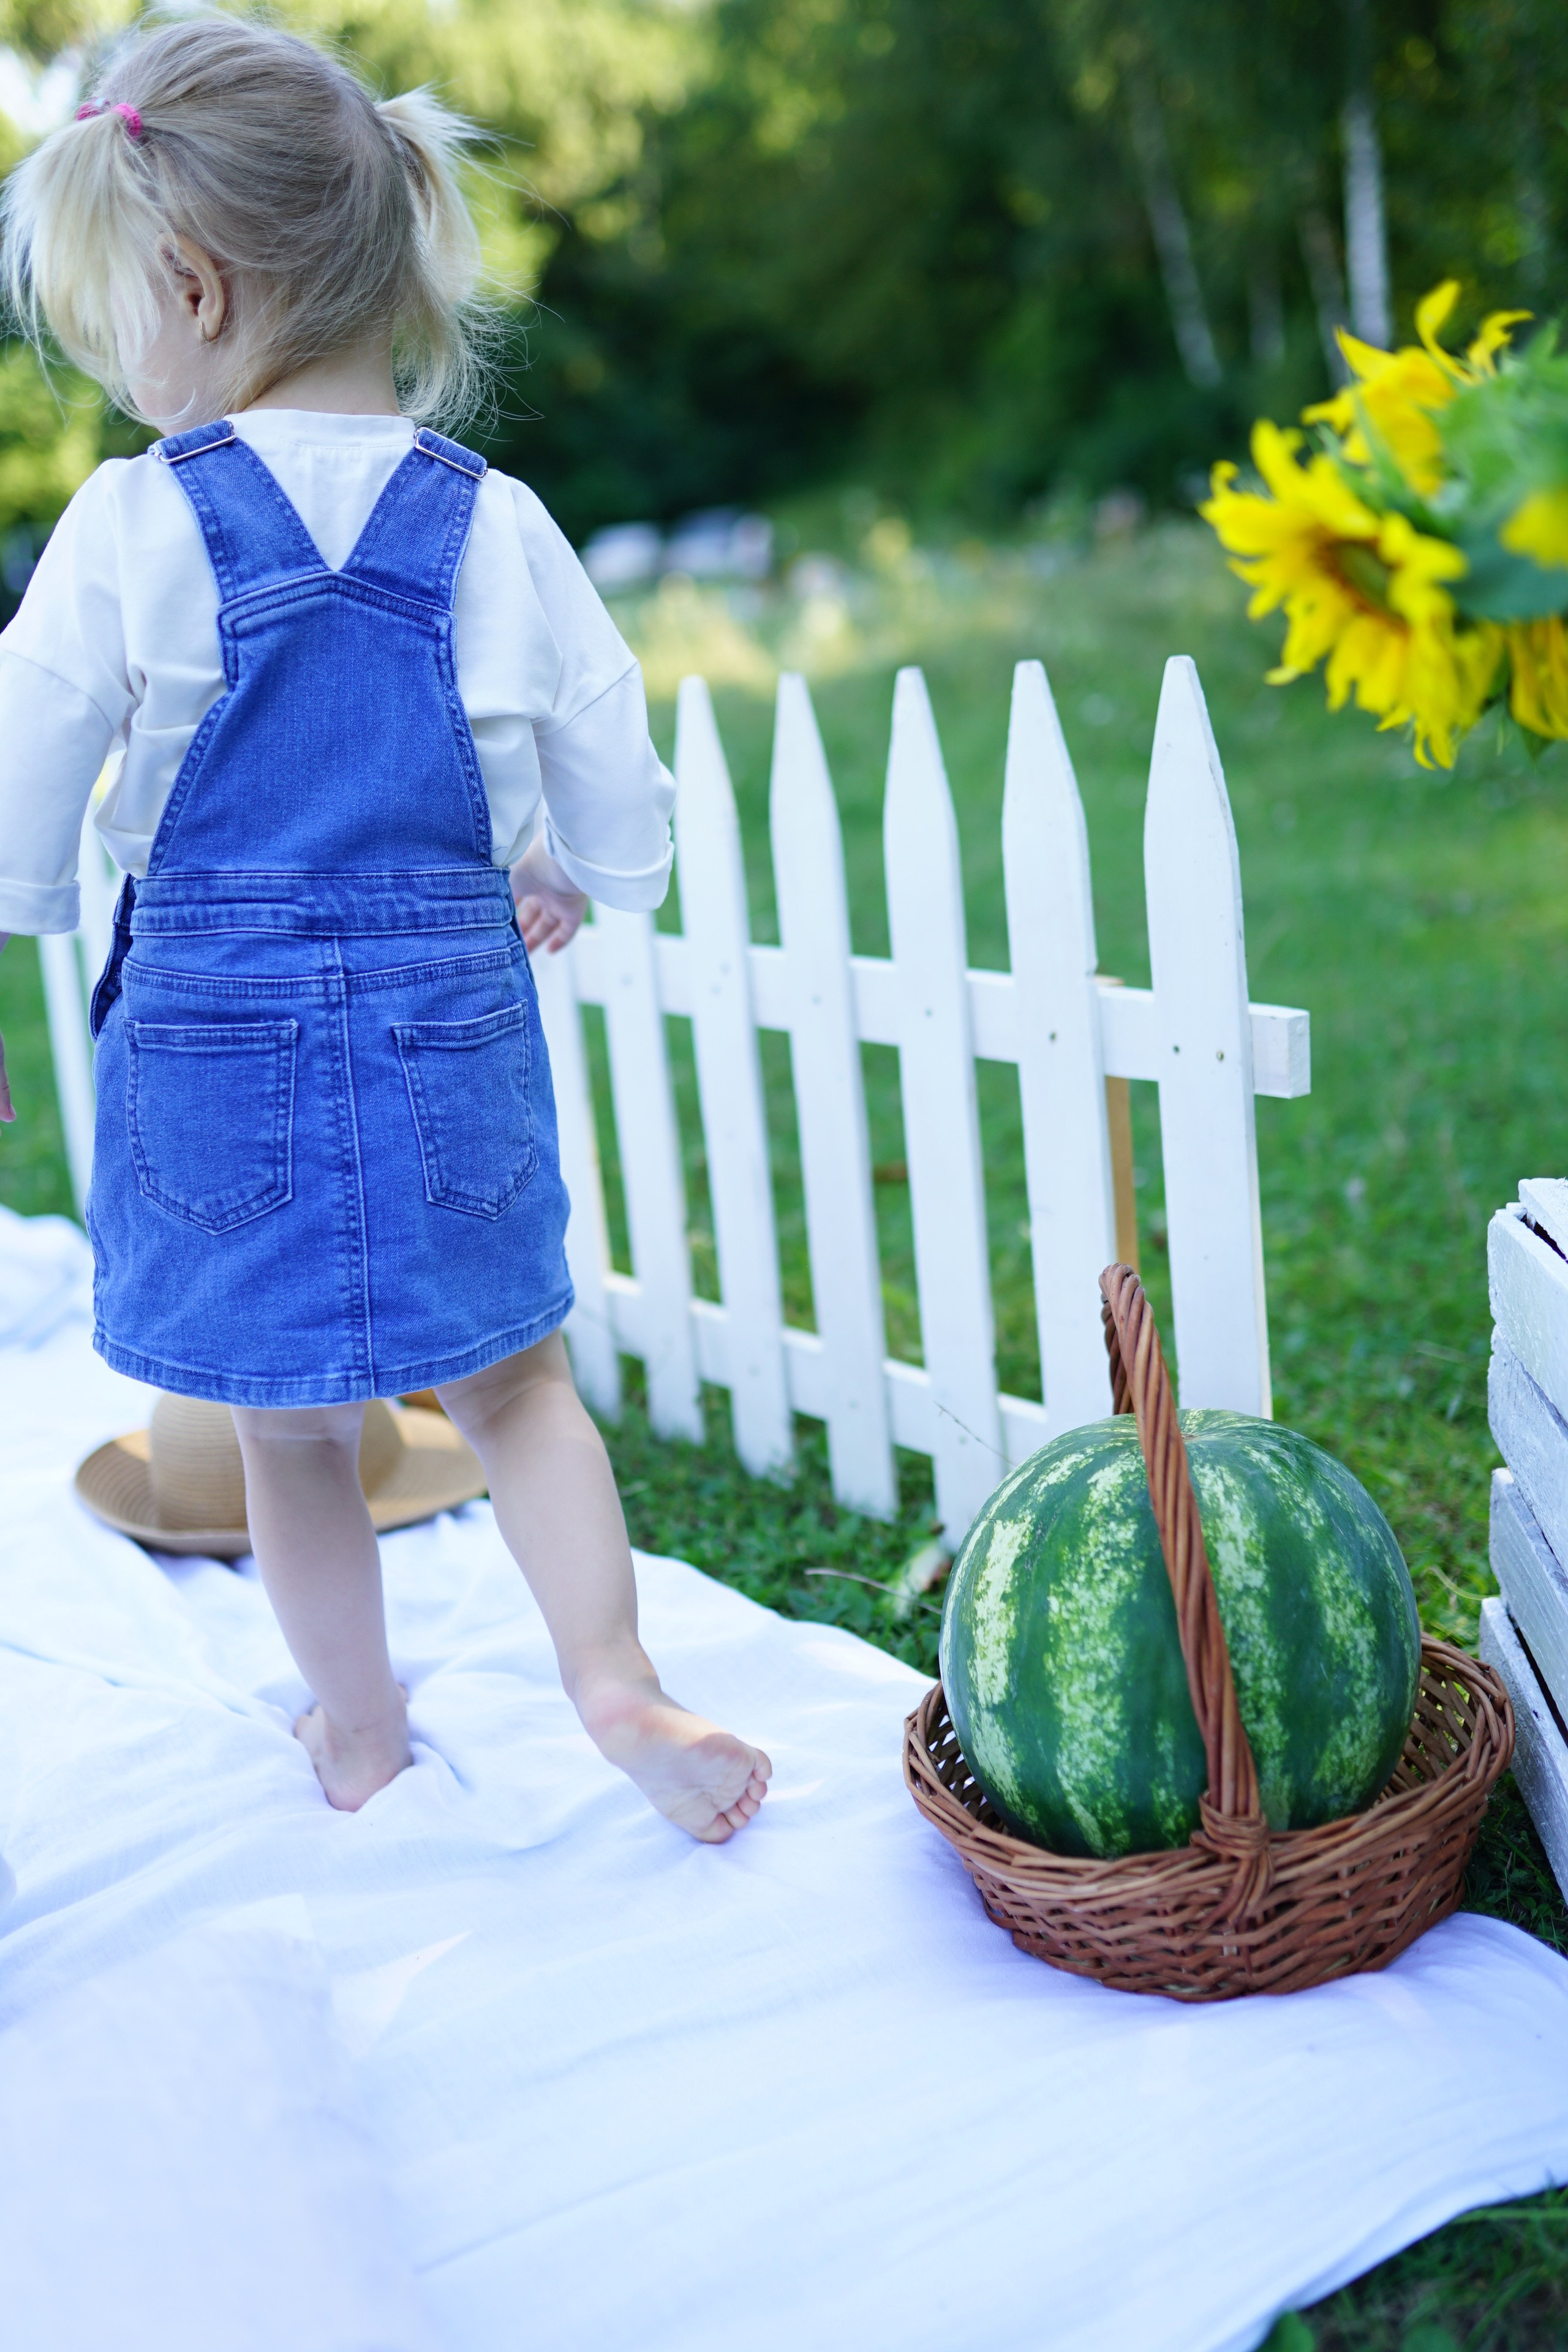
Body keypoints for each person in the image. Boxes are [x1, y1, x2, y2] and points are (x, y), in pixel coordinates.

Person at [0, 15, 771, 1834]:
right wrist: (595, 868)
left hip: (213, 1037)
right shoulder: (488, 518)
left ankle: (358, 1732)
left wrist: (31, 897)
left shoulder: (134, 525)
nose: (120, 376)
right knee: (517, 1389)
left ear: (191, 285)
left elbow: (30, 739)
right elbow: (602, 731)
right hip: (447, 1020)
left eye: (116, 328)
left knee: (285, 1429)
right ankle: (619, 1682)